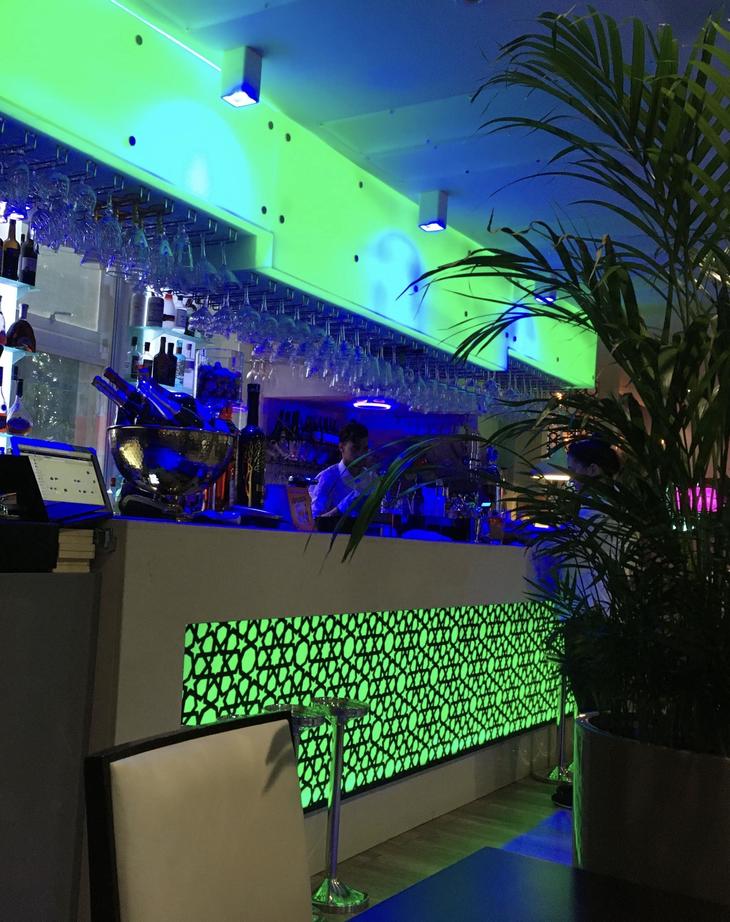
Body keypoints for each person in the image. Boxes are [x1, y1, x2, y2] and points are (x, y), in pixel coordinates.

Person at [308, 421, 373, 522]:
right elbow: (313, 522)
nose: (361, 453)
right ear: (341, 447)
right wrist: (342, 508)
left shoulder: (372, 478)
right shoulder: (327, 478)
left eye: (365, 449)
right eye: (355, 448)